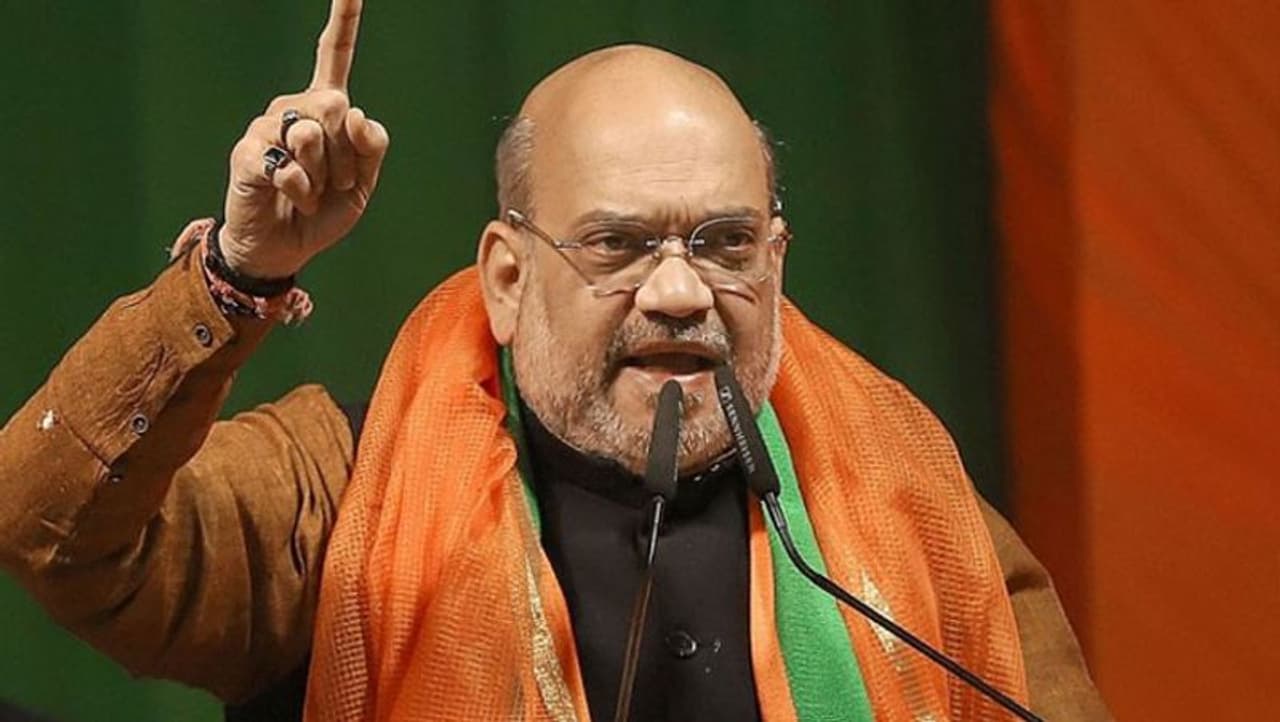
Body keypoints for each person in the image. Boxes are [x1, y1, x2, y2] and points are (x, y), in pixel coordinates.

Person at [0, 1, 1110, 720]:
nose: (679, 293)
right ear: (507, 275)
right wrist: (234, 274)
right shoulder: (341, 493)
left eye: (724, 245)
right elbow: (49, 526)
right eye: (618, 245)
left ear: (775, 260)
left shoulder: (908, 504)